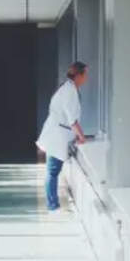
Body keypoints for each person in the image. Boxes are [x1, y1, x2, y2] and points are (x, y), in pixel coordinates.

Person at [37, 62, 88, 213]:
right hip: (56, 134)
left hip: (58, 132)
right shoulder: (69, 91)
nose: (86, 78)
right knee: (52, 170)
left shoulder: (68, 88)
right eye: (85, 74)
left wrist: (78, 135)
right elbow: (71, 119)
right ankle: (52, 206)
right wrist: (81, 137)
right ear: (78, 75)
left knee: (53, 170)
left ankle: (53, 204)